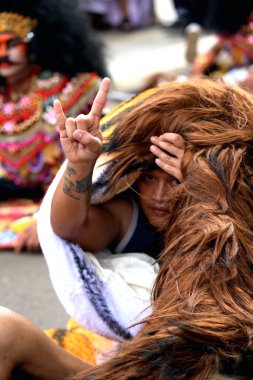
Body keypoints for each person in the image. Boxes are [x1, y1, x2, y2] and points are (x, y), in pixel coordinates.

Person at [2, 77, 253, 379]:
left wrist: (205, 186)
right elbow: (69, 227)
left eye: (174, 179)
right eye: (149, 178)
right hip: (112, 361)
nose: (160, 196)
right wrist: (80, 167)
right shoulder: (129, 215)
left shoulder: (236, 228)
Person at [0, 0, 107, 253]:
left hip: (66, 197)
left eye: (12, 43)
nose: (2, 54)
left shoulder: (75, 90)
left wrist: (47, 216)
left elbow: (105, 159)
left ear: (37, 42)